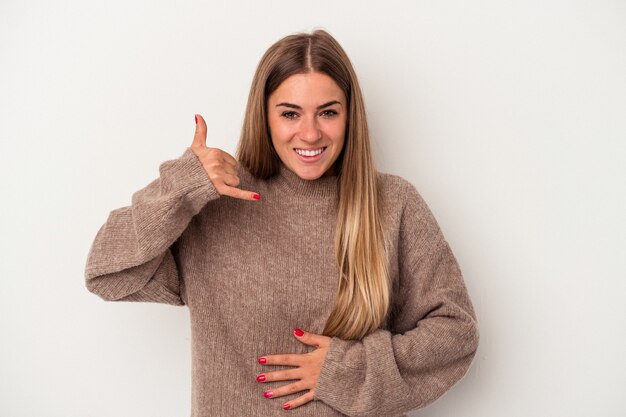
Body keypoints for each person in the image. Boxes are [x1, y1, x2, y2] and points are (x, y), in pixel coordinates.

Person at [84, 29, 479, 416]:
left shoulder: (392, 204)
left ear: (350, 116)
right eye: (290, 113)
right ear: (265, 116)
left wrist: (348, 370)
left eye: (328, 112)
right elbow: (107, 273)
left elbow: (455, 333)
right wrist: (182, 187)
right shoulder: (216, 203)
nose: (310, 133)